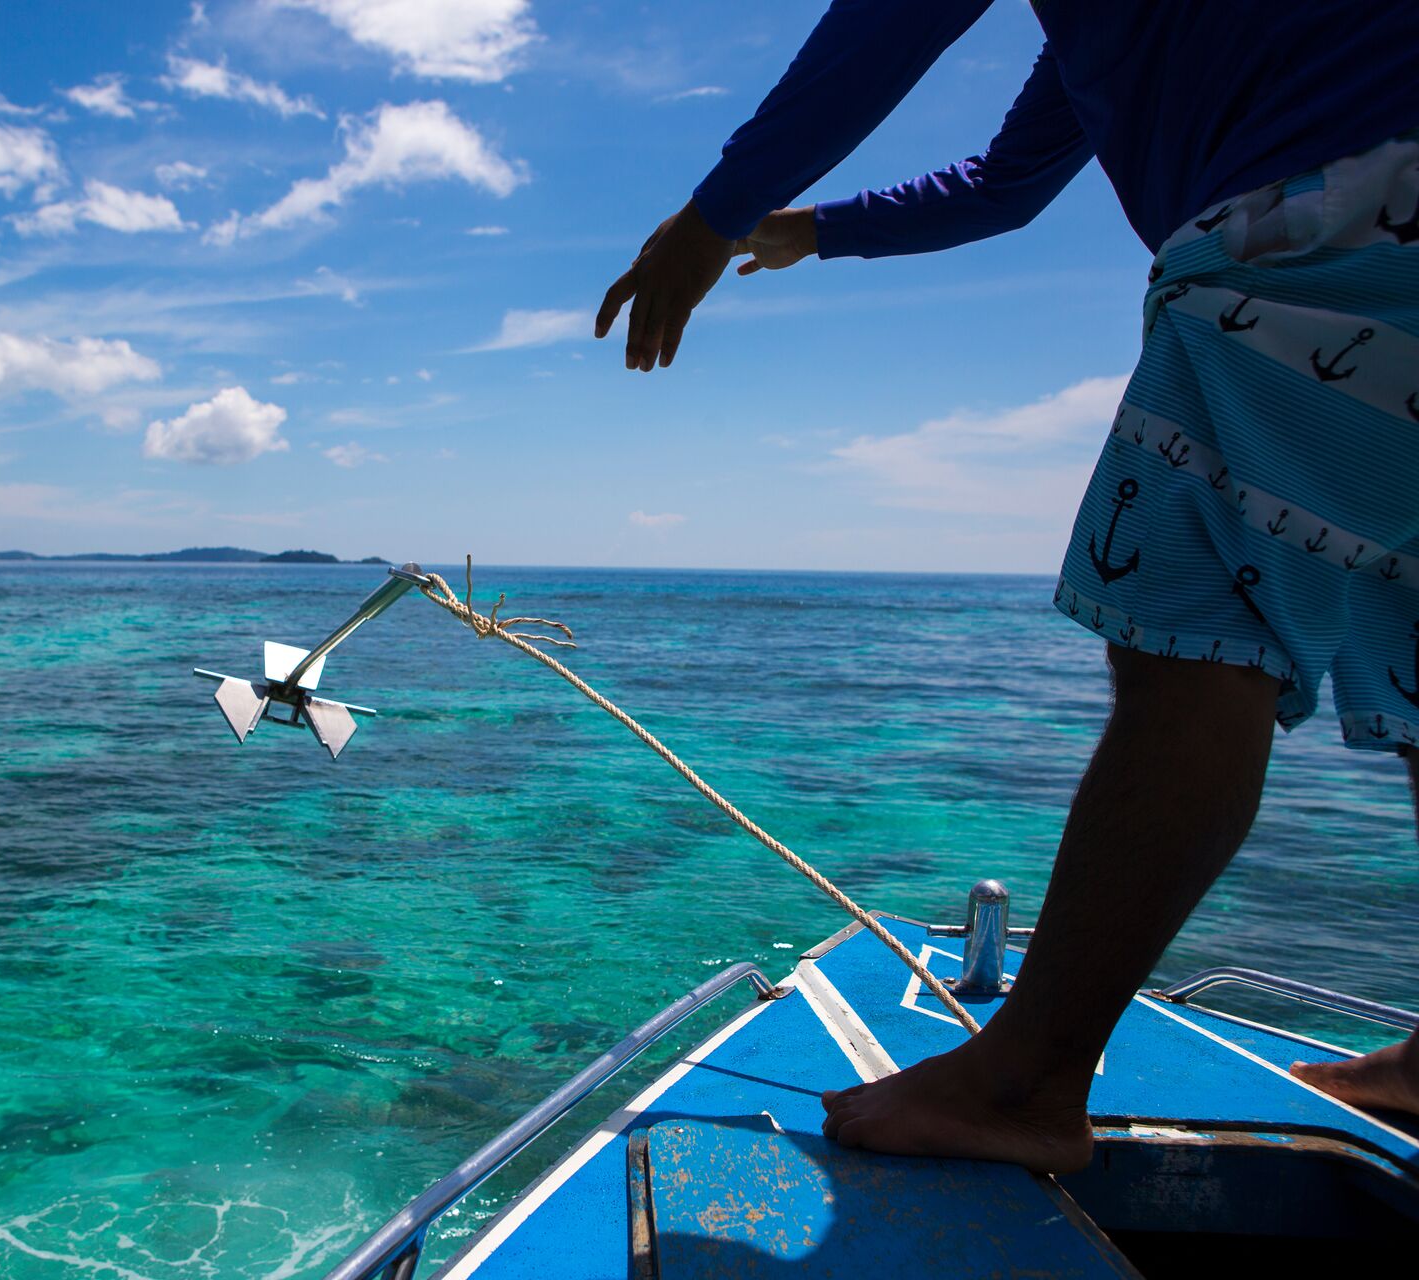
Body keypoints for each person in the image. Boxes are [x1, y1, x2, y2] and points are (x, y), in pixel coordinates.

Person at [595, 0, 1419, 1173]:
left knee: (1193, 652)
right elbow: (1009, 181)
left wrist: (707, 219)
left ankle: (1024, 1083)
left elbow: (885, 27)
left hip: (1327, 225)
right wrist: (812, 231)